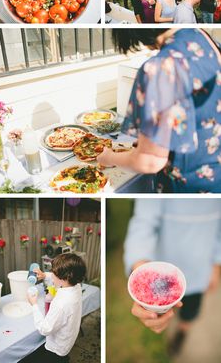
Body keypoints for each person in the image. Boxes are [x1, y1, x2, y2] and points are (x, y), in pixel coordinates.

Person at [97, 28, 221, 193]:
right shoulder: (202, 37)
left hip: (186, 188)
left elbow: (149, 161)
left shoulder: (161, 66)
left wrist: (108, 157)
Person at [124, 198, 221, 354]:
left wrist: (216, 264)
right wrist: (141, 270)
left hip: (200, 270)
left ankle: (182, 331)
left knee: (191, 309)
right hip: (161, 274)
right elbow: (143, 224)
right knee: (167, 311)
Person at [20, 253, 86, 362]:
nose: (52, 274)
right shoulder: (76, 287)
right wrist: (45, 275)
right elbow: (62, 278)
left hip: (56, 350)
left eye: (53, 273)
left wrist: (34, 305)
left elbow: (45, 329)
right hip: (67, 342)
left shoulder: (62, 303)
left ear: (66, 277)